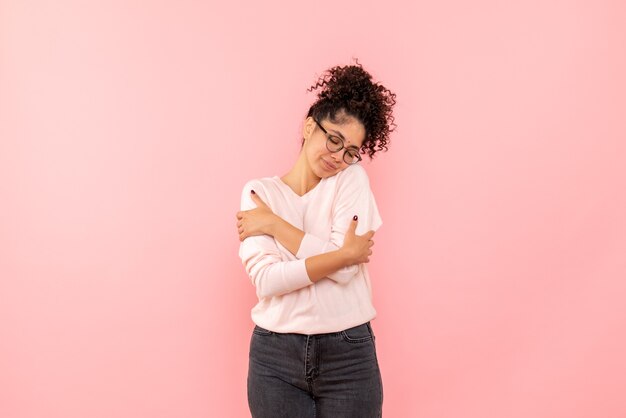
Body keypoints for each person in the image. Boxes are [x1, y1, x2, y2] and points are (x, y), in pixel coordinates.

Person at [236, 61, 396, 418]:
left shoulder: (350, 180)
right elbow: (268, 280)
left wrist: (275, 227)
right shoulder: (259, 193)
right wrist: (342, 255)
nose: (339, 156)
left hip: (348, 355)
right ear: (310, 127)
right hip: (275, 358)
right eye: (334, 139)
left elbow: (343, 274)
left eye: (350, 150)